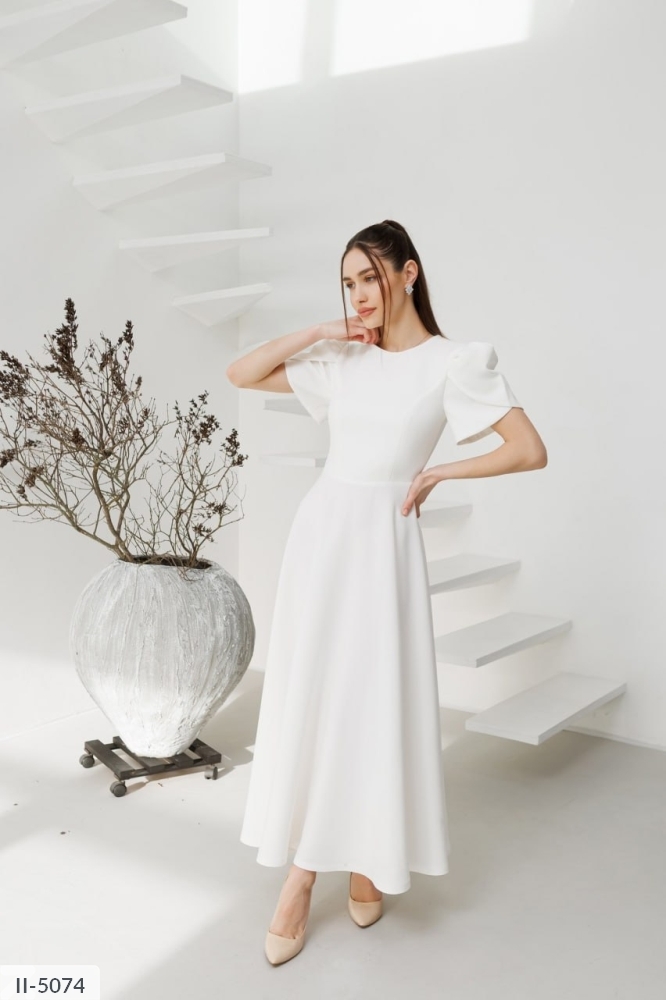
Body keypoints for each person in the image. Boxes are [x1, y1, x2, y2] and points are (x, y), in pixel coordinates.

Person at [226, 219, 547, 966]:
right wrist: (321, 329)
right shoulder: (341, 357)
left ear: (408, 273)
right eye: (348, 283)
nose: (359, 295)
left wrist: (439, 471)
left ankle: (360, 855)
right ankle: (304, 875)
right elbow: (242, 373)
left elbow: (528, 449)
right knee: (318, 693)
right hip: (322, 539)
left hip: (383, 546)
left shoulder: (452, 362)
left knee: (369, 701)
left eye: (370, 277)